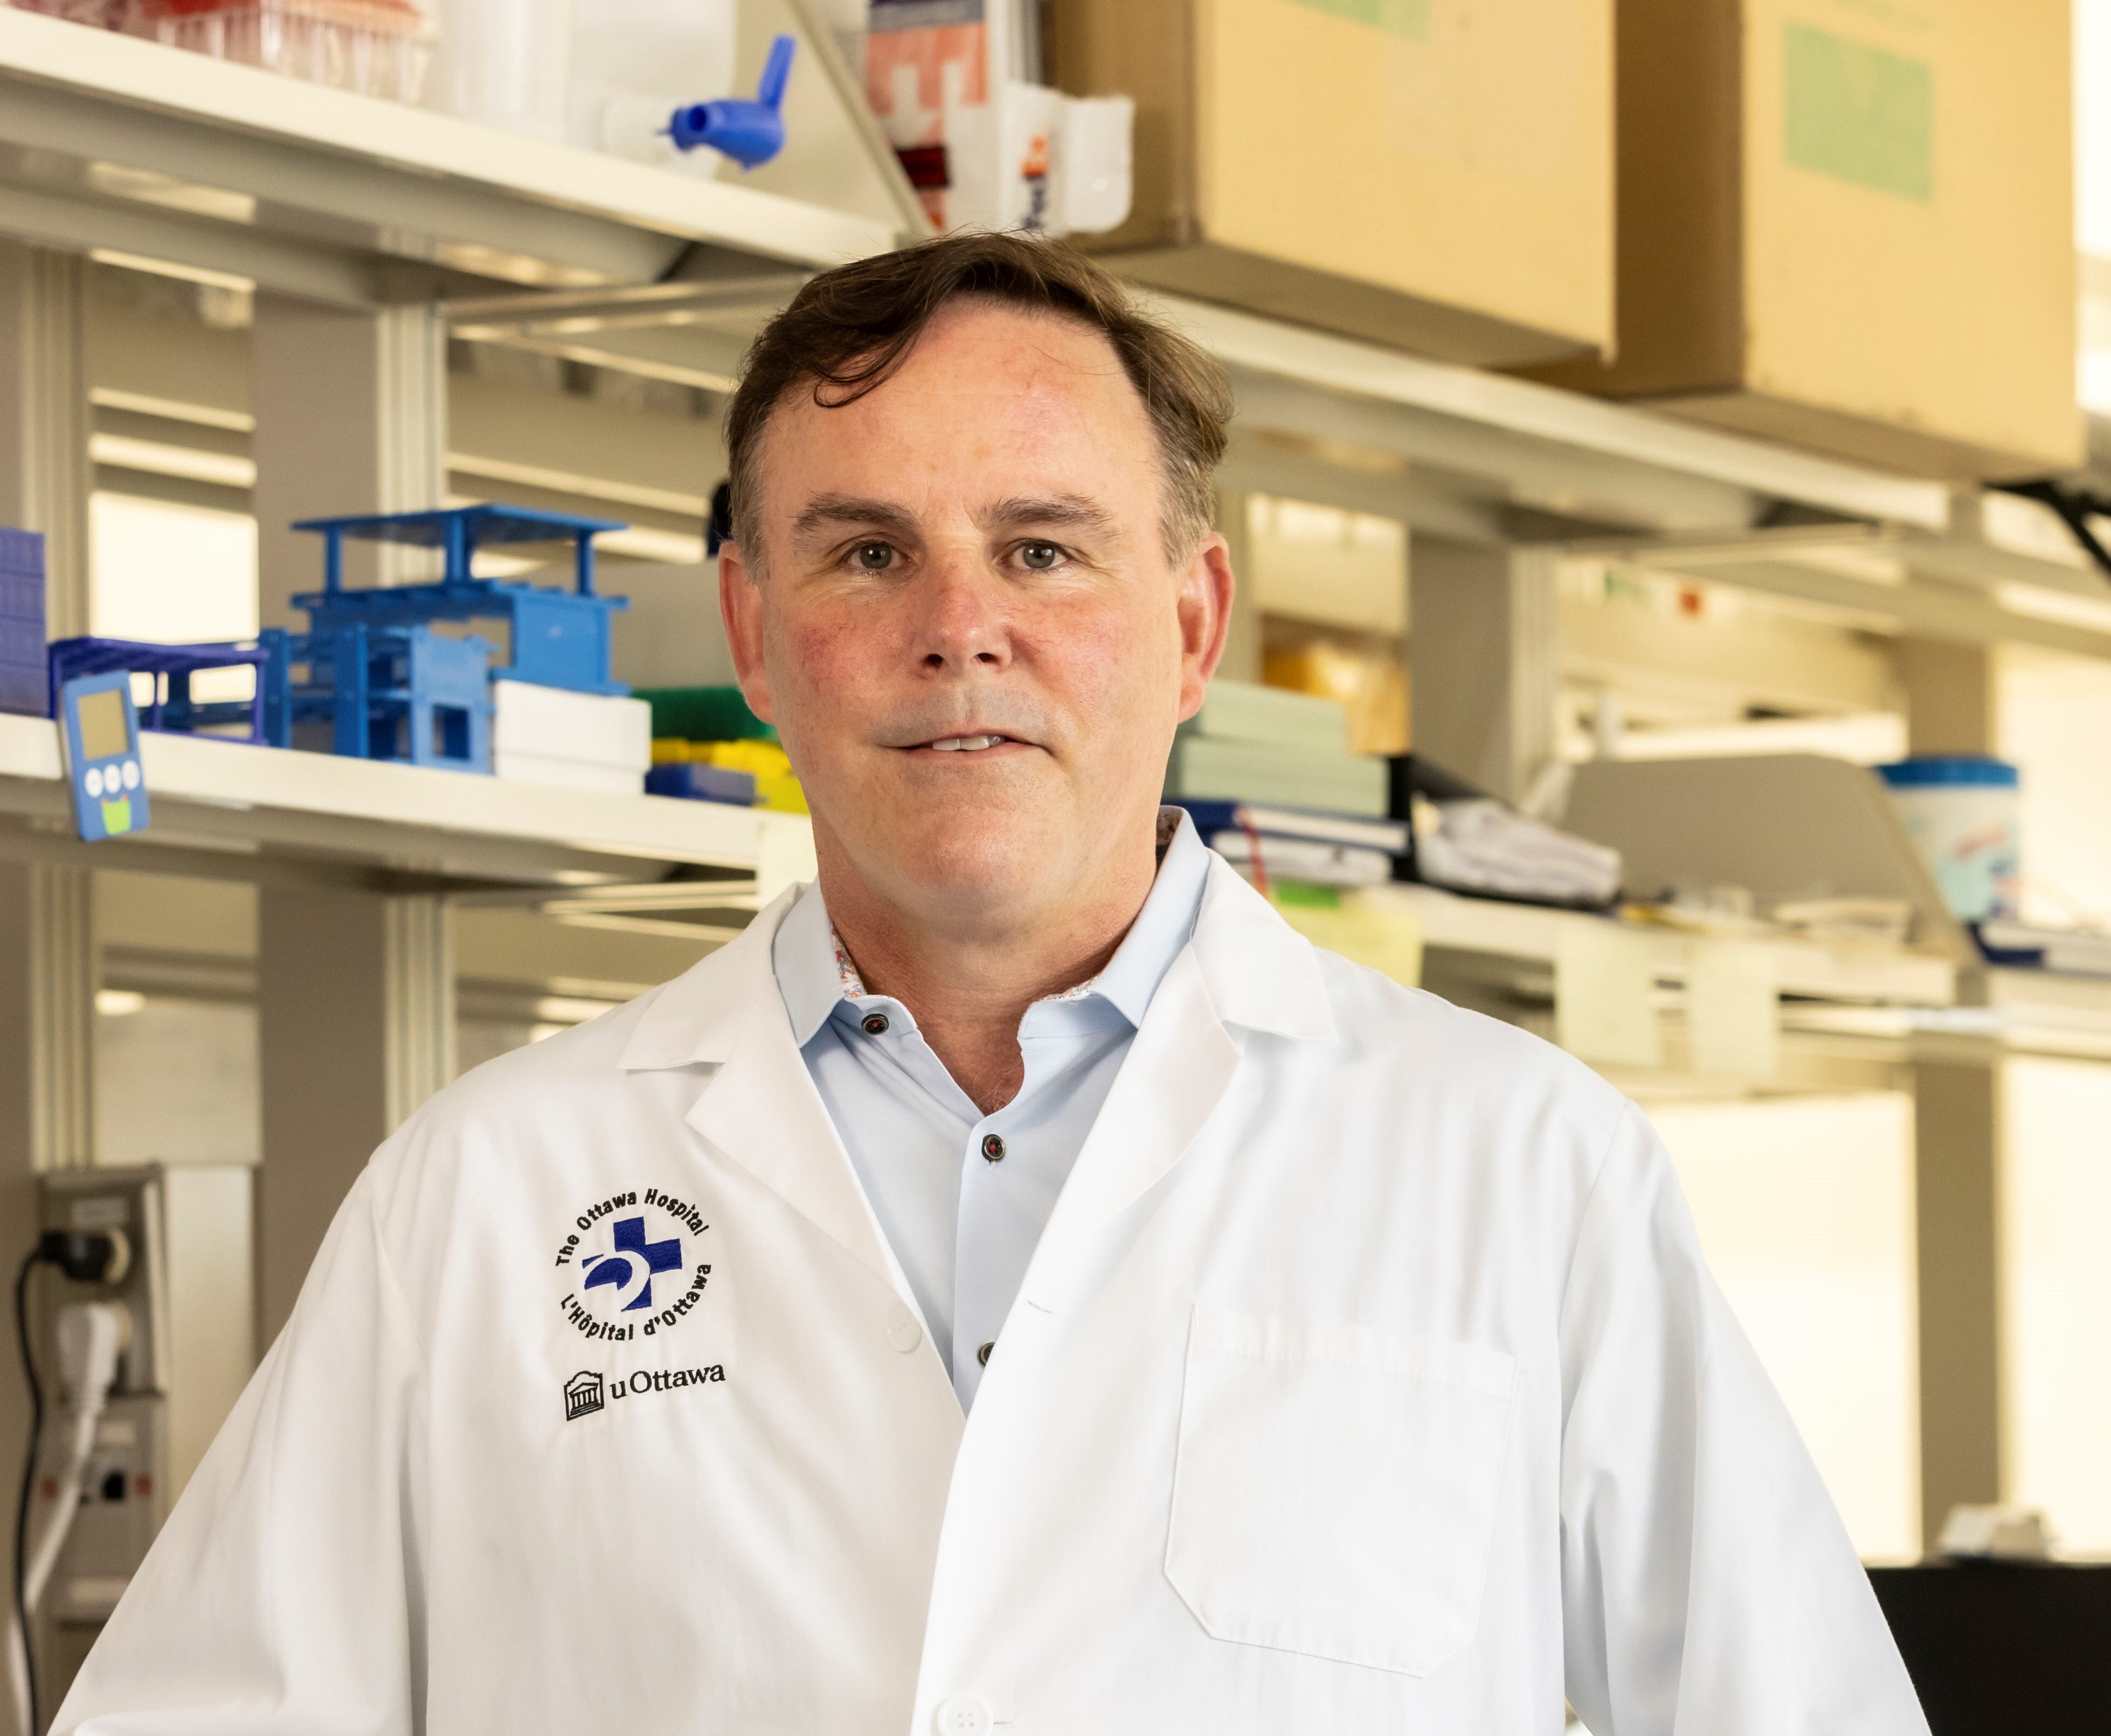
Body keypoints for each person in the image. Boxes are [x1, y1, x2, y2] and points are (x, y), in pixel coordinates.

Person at [54, 233, 1927, 1735]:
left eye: (1044, 547)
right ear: (755, 637)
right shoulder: (486, 1194)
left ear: (1191, 626)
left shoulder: (1521, 1168)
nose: (962, 624)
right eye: (868, 552)